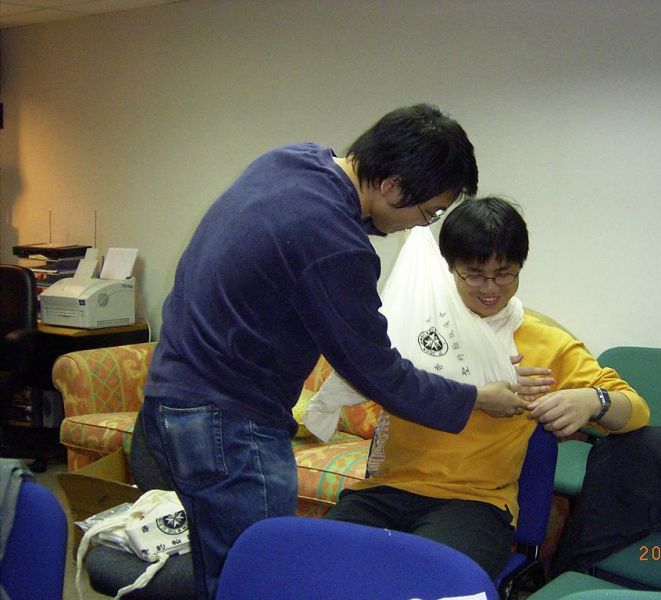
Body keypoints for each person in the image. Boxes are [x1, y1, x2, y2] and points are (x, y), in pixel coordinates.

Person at [140, 105, 538, 599]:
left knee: (226, 573)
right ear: (392, 186)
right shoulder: (337, 246)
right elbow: (380, 373)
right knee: (264, 583)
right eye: (430, 212)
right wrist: (476, 397)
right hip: (228, 424)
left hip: (169, 398)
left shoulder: (291, 161)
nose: (422, 225)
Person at [325, 196, 651, 579]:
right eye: (475, 275)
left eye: (505, 273)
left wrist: (592, 400)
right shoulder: (414, 324)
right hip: (385, 490)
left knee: (430, 581)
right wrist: (478, 396)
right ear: (450, 267)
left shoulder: (548, 344)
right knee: (316, 570)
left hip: (474, 502)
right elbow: (371, 376)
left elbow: (636, 411)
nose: (491, 288)